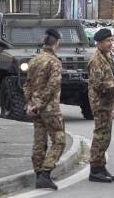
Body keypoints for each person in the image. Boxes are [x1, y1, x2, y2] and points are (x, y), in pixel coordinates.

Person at [23, 29, 65, 190]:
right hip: (49, 108)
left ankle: (38, 174)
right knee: (59, 140)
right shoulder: (54, 62)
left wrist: (29, 103)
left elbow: (27, 84)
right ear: (57, 43)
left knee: (39, 141)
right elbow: (53, 86)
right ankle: (45, 173)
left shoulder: (34, 60)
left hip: (35, 108)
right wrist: (39, 104)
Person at [87, 28, 114, 183]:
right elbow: (98, 84)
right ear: (99, 43)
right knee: (100, 136)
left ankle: (101, 166)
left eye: (111, 40)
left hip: (107, 103)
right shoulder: (96, 60)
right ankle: (94, 169)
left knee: (106, 137)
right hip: (100, 103)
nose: (111, 43)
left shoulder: (106, 57)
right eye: (107, 41)